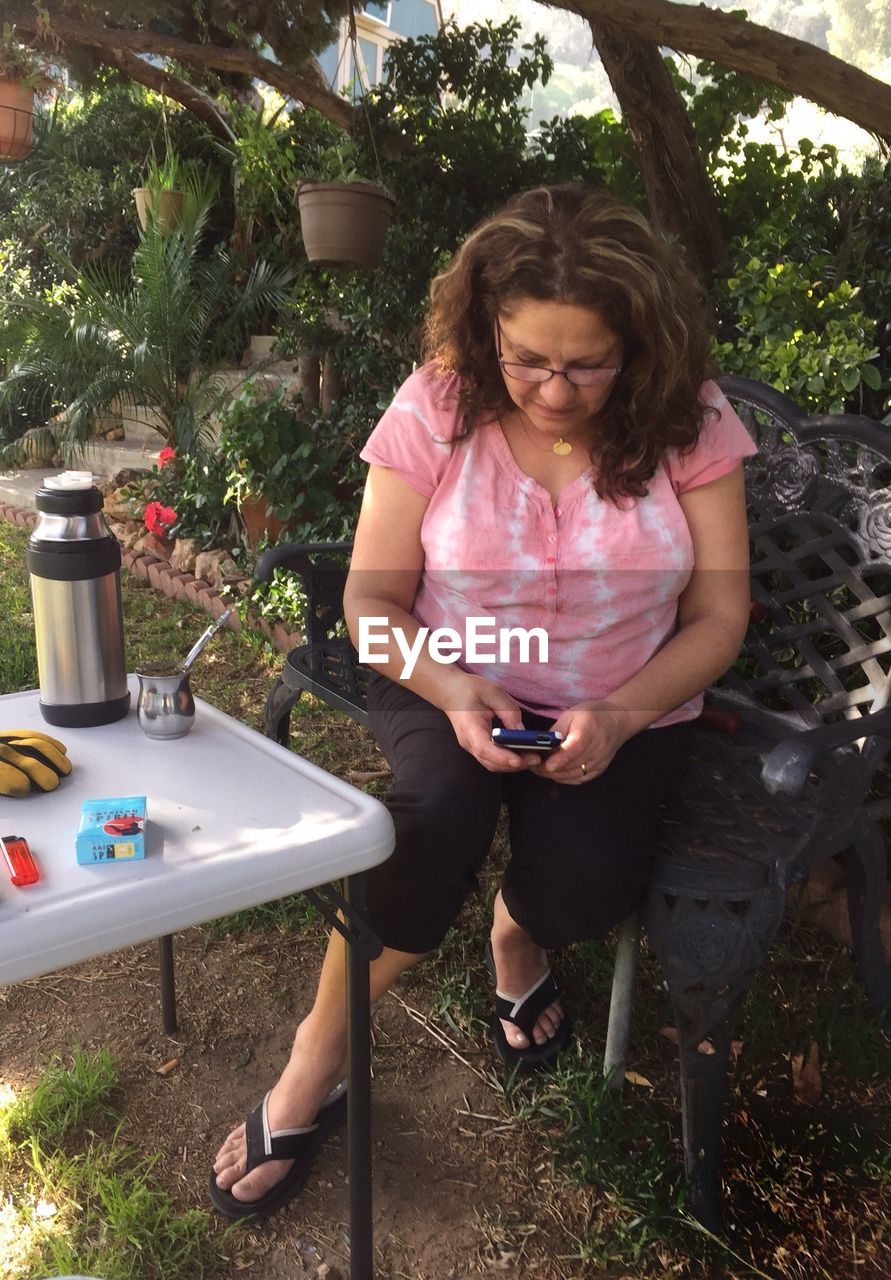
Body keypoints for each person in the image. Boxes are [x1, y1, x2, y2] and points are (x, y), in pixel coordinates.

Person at [209, 183, 756, 1218]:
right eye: (527, 357)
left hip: (626, 696)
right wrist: (458, 691)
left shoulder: (693, 420)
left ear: (640, 343)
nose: (553, 388)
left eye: (586, 362)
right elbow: (371, 598)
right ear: (485, 326)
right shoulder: (439, 402)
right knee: (424, 829)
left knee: (587, 887)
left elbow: (720, 619)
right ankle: (312, 1060)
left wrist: (627, 713)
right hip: (446, 668)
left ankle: (517, 932)